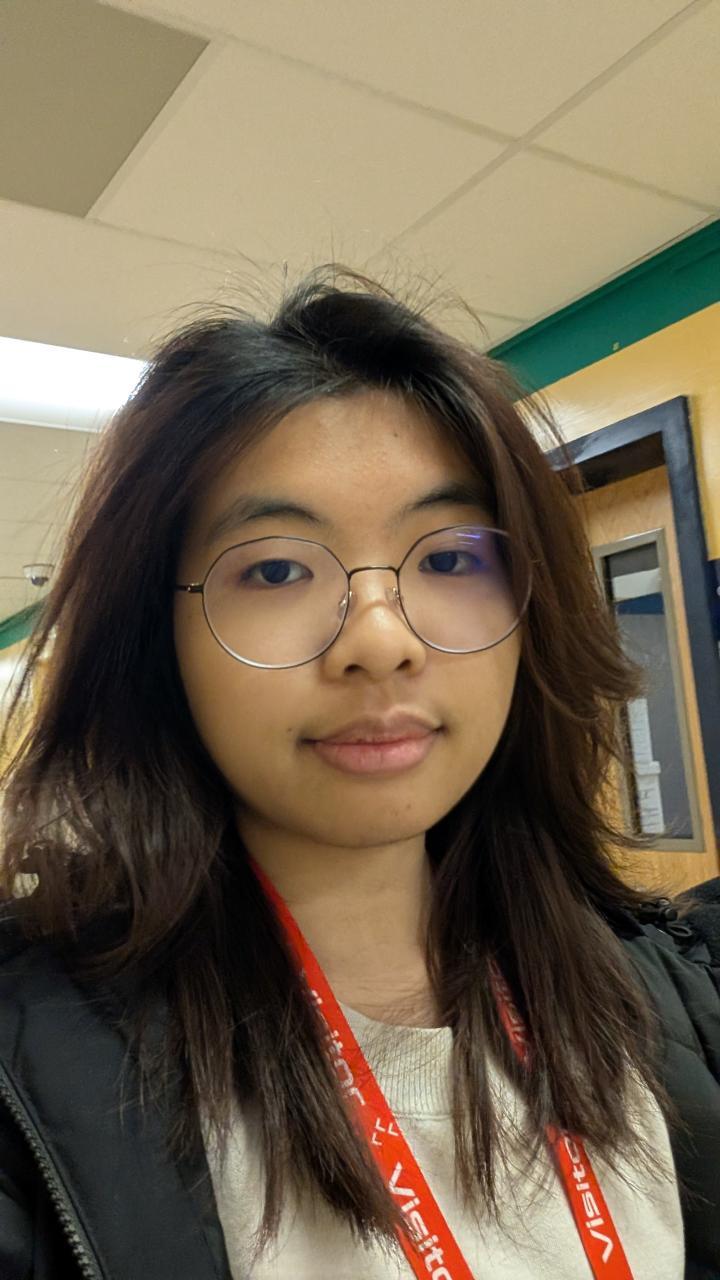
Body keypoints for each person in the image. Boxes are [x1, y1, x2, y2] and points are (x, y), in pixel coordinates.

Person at [0, 267, 718, 1280]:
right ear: (156, 639)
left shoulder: (675, 1000)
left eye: (452, 557)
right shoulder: (29, 1076)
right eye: (277, 569)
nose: (381, 641)